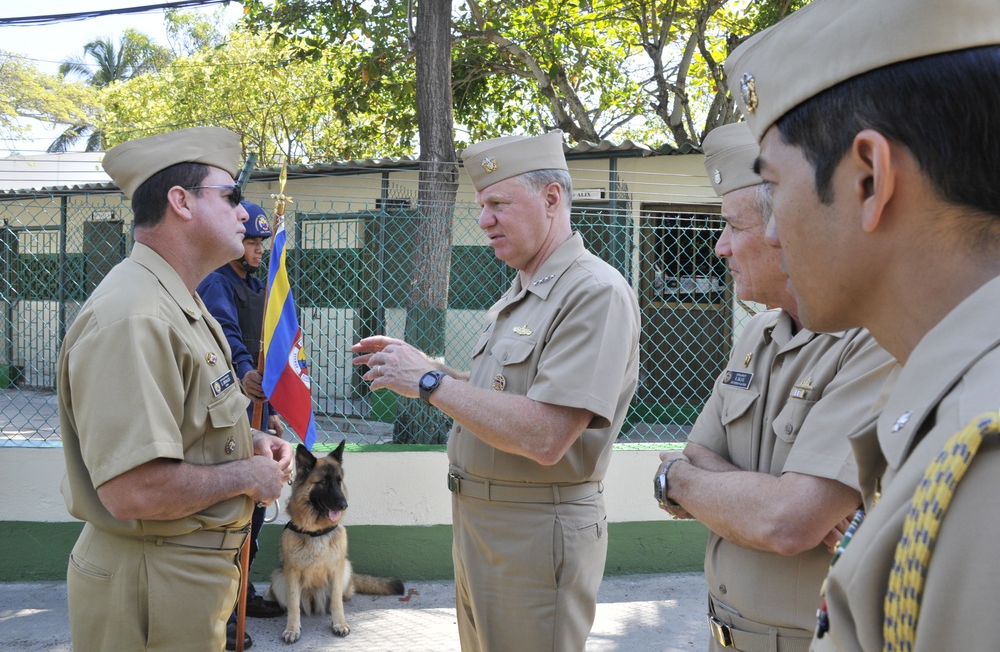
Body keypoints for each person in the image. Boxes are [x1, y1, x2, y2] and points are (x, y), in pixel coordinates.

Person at [722, 0, 1000, 649]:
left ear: (869, 178)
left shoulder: (982, 476)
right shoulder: (945, 402)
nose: (766, 229)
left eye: (772, 189)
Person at [352, 130, 640, 651]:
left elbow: (548, 434)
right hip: (484, 525)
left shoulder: (592, 292)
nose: (484, 219)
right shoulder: (524, 290)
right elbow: (504, 394)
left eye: (498, 203)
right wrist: (428, 368)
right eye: (482, 204)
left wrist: (431, 382)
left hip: (533, 532)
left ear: (552, 198)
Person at [654, 122, 896, 652]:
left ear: (783, 229)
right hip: (728, 627)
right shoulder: (759, 330)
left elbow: (787, 522)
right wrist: (756, 493)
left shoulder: (874, 337)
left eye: (732, 227)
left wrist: (675, 479)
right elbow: (701, 449)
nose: (720, 248)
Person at [58, 127, 294, 651]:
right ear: (181, 202)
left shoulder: (175, 300)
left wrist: (247, 443)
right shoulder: (135, 315)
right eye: (230, 196)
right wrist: (248, 474)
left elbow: (186, 427)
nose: (242, 212)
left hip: (179, 578)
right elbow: (132, 490)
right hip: (153, 584)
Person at [197, 200, 286, 640]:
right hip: (232, 403)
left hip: (257, 408)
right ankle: (226, 611)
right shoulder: (218, 283)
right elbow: (227, 338)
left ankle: (244, 592)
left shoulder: (254, 285)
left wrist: (271, 413)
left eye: (261, 242)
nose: (257, 249)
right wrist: (249, 373)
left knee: (256, 510)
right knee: (237, 509)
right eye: (251, 240)